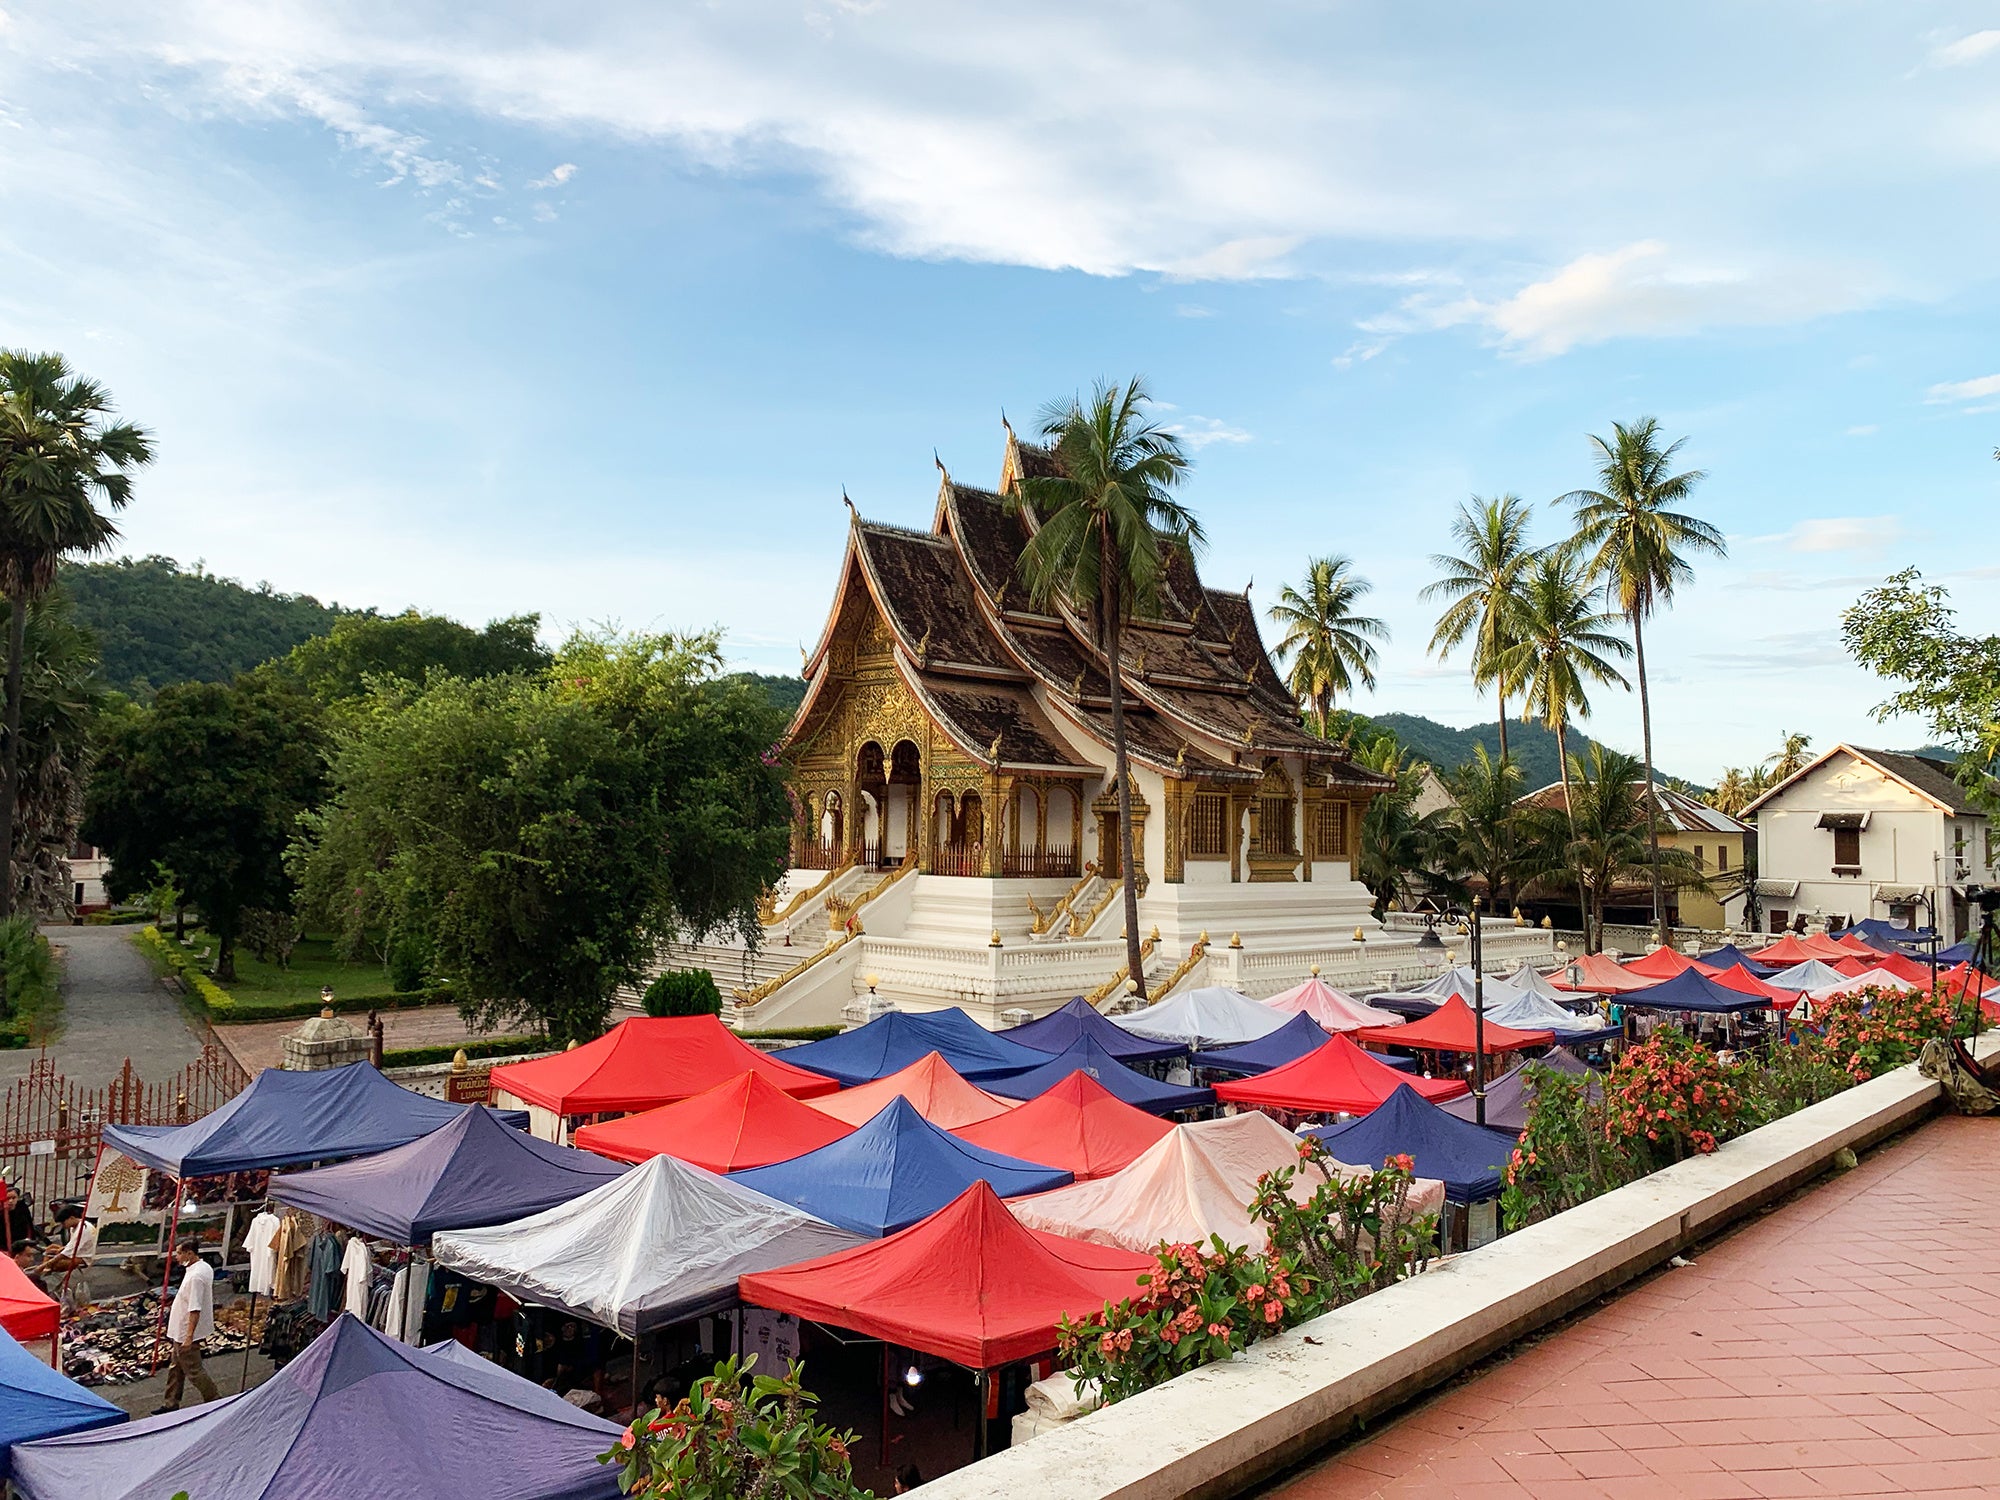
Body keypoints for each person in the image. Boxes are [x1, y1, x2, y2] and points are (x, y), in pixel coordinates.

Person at [158, 1238, 219, 1412]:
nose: (176, 1256)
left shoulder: (196, 1277)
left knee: (194, 1371)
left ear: (189, 1254)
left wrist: (189, 1336)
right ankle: (170, 1402)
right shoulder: (202, 1267)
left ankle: (214, 1398)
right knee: (176, 1368)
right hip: (180, 1330)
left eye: (179, 1253)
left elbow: (194, 1308)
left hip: (185, 1330)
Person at [39, 1208, 97, 1312]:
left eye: (63, 1222)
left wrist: (46, 1264)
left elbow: (70, 1251)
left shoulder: (84, 1228)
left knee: (55, 1264)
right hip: (74, 1251)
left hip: (82, 1257)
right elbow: (70, 1246)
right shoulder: (73, 1228)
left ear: (71, 1218)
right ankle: (44, 1272)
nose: (63, 1225)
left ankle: (43, 1272)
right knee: (50, 1248)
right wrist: (59, 1250)